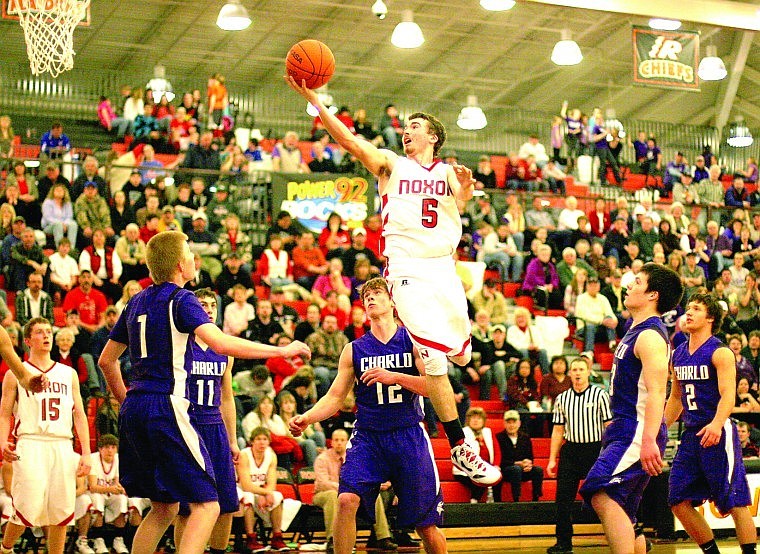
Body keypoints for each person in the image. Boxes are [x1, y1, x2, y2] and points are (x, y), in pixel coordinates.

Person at [286, 76, 500, 486]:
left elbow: (462, 201)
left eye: (415, 127)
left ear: (433, 136)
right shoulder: (390, 163)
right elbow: (349, 141)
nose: (406, 131)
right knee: (434, 358)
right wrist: (315, 101)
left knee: (458, 358)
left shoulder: (448, 171)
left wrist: (468, 188)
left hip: (443, 267)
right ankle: (459, 448)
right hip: (407, 270)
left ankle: (457, 440)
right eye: (405, 127)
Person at [98, 231, 311, 554]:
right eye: (189, 255)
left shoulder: (136, 300)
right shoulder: (181, 299)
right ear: (181, 265)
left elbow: (107, 360)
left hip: (136, 408)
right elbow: (222, 343)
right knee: (207, 505)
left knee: (164, 507)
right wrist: (281, 351)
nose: (193, 260)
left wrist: (128, 400)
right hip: (168, 404)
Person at [289, 277, 448, 554]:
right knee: (346, 500)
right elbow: (335, 397)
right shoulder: (354, 349)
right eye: (366, 296)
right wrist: (308, 417)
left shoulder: (412, 341)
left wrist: (394, 376)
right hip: (369, 438)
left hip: (408, 435)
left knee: (426, 526)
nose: (371, 298)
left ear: (392, 302)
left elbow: (435, 387)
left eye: (377, 293)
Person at [580, 263, 684, 554]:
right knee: (625, 511)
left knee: (600, 493)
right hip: (627, 428)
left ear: (653, 295)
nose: (629, 285)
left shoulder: (650, 335)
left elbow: (657, 391)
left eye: (637, 282)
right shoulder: (634, 329)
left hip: (638, 432)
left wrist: (649, 438)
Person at [664, 292, 757, 554]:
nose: (689, 312)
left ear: (711, 317)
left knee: (734, 501)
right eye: (688, 308)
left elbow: (728, 394)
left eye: (696, 309)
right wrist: (659, 431)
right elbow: (675, 398)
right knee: (678, 500)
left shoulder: (720, 352)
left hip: (717, 431)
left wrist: (716, 424)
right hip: (692, 435)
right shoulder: (678, 354)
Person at [0, 317, 91, 554]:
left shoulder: (68, 373)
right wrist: (3, 442)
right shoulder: (15, 373)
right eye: (40, 332)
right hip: (30, 442)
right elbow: (4, 414)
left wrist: (86, 453)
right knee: (25, 509)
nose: (47, 336)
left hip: (62, 444)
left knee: (61, 513)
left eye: (49, 331)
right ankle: (6, 548)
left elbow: (80, 414)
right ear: (28, 340)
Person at [173, 289, 240, 554]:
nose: (209, 308)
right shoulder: (180, 345)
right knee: (187, 506)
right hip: (187, 425)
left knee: (226, 502)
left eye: (213, 304)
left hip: (215, 427)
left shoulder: (224, 349)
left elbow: (227, 399)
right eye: (203, 304)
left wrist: (233, 440)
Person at [546, 357, 611, 554]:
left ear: (588, 371)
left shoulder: (600, 395)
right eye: (574, 369)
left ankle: (626, 535)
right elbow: (558, 431)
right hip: (571, 451)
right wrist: (551, 459)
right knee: (563, 500)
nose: (577, 373)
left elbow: (609, 428)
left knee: (607, 498)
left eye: (581, 369)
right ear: (570, 373)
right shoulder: (562, 399)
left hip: (595, 450)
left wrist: (610, 455)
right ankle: (563, 543)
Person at [313, 428, 396, 552]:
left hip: (348, 492)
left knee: (374, 495)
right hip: (323, 494)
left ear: (347, 442)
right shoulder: (322, 458)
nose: (339, 443)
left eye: (342, 440)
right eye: (336, 440)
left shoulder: (353, 457)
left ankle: (383, 537)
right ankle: (332, 539)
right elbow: (323, 483)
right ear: (331, 442)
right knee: (332, 496)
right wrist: (346, 489)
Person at [87, 434, 130, 554]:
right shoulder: (92, 459)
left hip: (109, 492)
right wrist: (112, 489)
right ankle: (98, 540)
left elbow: (117, 483)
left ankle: (118, 540)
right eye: (106, 447)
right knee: (97, 499)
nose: (110, 450)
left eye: (113, 447)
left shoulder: (118, 459)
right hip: (94, 493)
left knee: (121, 499)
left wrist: (120, 489)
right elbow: (93, 487)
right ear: (100, 449)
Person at [494, 409, 544, 502]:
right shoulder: (499, 438)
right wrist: (516, 463)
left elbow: (530, 457)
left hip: (522, 469)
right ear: (504, 424)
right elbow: (499, 460)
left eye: (514, 422)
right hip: (506, 470)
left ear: (519, 423)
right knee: (515, 469)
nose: (511, 425)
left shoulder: (525, 437)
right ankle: (516, 499)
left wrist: (528, 464)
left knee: (538, 470)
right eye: (509, 422)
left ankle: (536, 498)